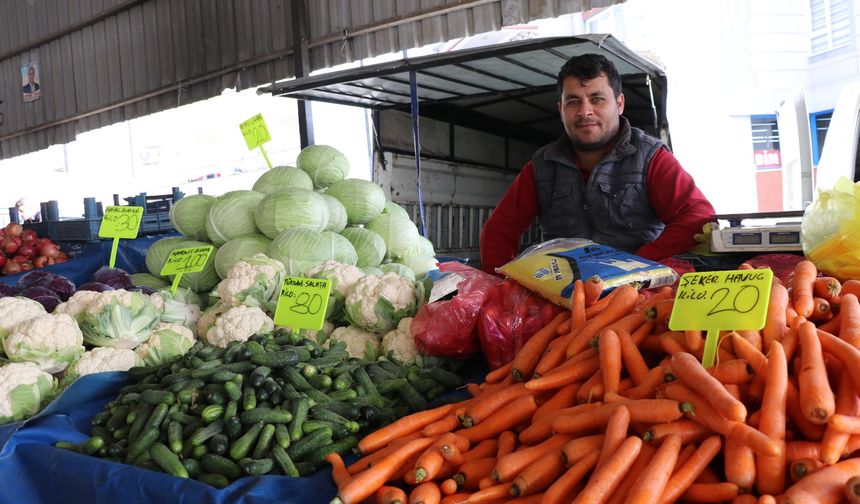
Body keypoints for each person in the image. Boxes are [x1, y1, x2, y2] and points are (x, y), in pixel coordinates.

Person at [479, 54, 715, 274]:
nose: (585, 111)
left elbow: (697, 216)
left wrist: (639, 265)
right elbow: (498, 232)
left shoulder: (650, 157)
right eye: (573, 102)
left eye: (597, 99)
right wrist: (501, 288)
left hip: (637, 295)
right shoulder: (542, 165)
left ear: (619, 103)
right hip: (562, 297)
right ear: (561, 110)